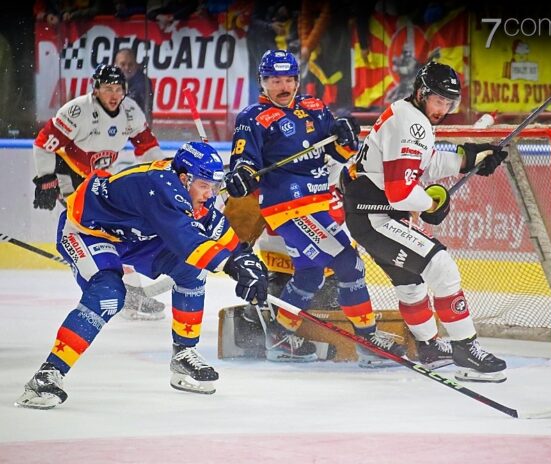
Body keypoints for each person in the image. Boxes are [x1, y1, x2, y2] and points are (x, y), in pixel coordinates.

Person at [15, 142, 268, 409]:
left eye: (215, 187)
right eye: (205, 186)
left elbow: (217, 229)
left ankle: (183, 354)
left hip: (135, 238)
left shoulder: (189, 193)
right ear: (185, 179)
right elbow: (188, 242)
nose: (211, 193)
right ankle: (47, 375)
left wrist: (247, 260)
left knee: (191, 271)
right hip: (88, 231)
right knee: (108, 296)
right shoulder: (159, 187)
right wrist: (233, 266)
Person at [225, 49, 404, 366]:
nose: (283, 87)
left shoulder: (314, 107)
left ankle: (281, 337)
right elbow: (243, 162)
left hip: (319, 203)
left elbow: (338, 150)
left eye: (288, 80)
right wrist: (241, 176)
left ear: (297, 80)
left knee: (310, 275)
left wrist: (346, 135)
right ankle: (368, 340)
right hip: (288, 208)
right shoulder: (252, 118)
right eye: (275, 80)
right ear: (263, 82)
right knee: (350, 263)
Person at [340, 61, 509, 383]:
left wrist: (468, 159)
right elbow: (401, 192)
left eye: (448, 103)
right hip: (376, 215)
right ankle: (465, 349)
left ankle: (429, 347)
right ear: (421, 93)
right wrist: (433, 202)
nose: (442, 109)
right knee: (441, 267)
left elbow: (425, 163)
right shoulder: (412, 123)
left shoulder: (409, 115)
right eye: (438, 101)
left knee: (411, 283)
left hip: (370, 213)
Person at [31, 63, 166, 320]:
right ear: (95, 89)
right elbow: (43, 143)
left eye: (118, 88)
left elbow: (147, 147)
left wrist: (163, 174)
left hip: (99, 178)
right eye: (107, 89)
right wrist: (46, 178)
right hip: (67, 174)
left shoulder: (129, 111)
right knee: (103, 229)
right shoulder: (77, 110)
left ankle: (128, 292)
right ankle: (116, 289)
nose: (114, 95)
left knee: (116, 229)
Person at [114, 48, 154, 125]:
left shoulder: (143, 83)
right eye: (122, 64)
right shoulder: (107, 81)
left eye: (130, 64)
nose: (126, 68)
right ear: (115, 65)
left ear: (135, 65)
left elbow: (147, 112)